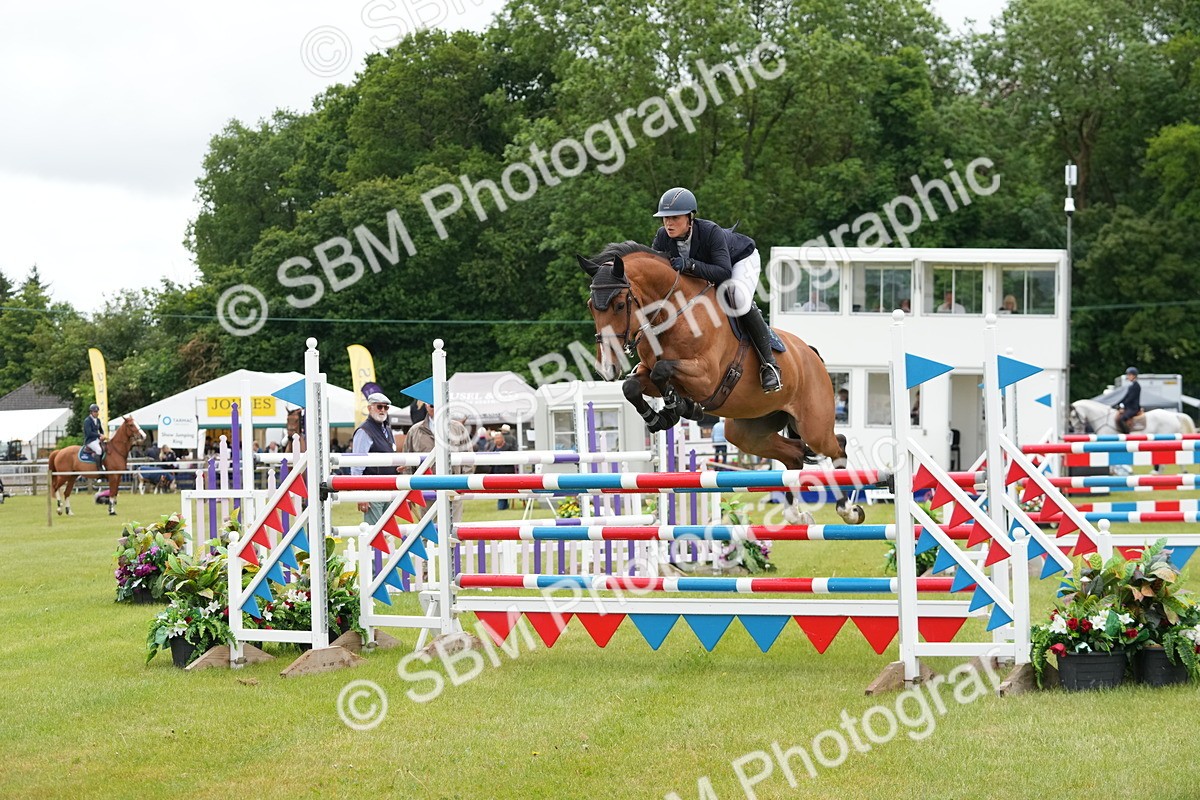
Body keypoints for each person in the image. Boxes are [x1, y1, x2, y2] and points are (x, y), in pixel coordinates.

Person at [650, 186, 782, 393]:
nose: (668, 223)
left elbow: (723, 272)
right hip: (707, 269)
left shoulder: (710, 231)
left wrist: (690, 265)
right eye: (665, 218)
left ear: (690, 217)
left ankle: (769, 364)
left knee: (737, 297)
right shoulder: (662, 236)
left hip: (739, 261)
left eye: (675, 217)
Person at [403, 396, 473, 523]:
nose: (434, 407)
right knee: (427, 529)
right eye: (431, 404)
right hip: (426, 487)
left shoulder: (458, 428)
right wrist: (409, 488)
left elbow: (468, 456)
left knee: (454, 529)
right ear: (425, 406)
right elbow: (407, 462)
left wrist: (464, 483)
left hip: (454, 485)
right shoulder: (414, 431)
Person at [351, 392, 399, 526]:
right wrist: (361, 495)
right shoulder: (364, 431)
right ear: (370, 408)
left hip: (389, 487)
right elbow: (356, 465)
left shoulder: (387, 430)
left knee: (388, 531)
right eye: (379, 407)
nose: (383, 410)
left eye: (386, 407)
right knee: (375, 533)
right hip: (372, 489)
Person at [489, 431, 516, 510]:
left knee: (504, 490)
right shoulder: (493, 448)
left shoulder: (509, 448)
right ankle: (503, 505)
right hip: (496, 472)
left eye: (498, 438)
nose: (496, 440)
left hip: (506, 472)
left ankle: (502, 506)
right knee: (499, 490)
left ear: (502, 439)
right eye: (495, 439)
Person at [1113, 367, 1142, 433]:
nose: (1128, 376)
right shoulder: (1131, 386)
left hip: (1133, 408)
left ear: (1134, 376)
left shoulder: (1136, 386)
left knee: (1121, 419)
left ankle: (1126, 433)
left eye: (1129, 375)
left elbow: (1130, 398)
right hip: (1129, 407)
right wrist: (1118, 404)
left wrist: (1123, 405)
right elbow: (1125, 397)